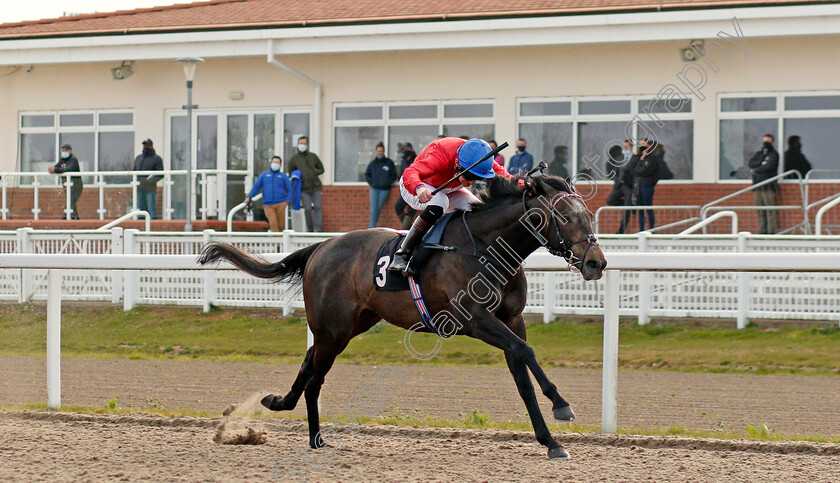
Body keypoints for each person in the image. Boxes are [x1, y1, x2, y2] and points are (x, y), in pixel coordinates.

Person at [388, 137, 513, 275]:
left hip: (447, 189)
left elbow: (504, 176)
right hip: (415, 186)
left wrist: (525, 184)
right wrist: (419, 188)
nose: (471, 183)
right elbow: (409, 173)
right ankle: (402, 254)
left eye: (477, 179)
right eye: (470, 176)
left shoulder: (477, 157)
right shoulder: (440, 154)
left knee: (476, 208)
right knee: (441, 202)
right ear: (458, 164)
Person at [287, 136, 324, 232]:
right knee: (307, 209)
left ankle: (319, 228)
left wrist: (314, 173)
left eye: (304, 143)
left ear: (307, 145)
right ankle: (310, 229)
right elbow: (291, 172)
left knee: (318, 207)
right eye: (300, 143)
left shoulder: (313, 156)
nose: (302, 145)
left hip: (316, 187)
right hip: (303, 189)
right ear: (297, 145)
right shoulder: (294, 159)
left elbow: (321, 169)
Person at [246, 155, 293, 232]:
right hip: (268, 205)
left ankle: (280, 243)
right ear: (271, 163)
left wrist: (287, 201)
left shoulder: (283, 176)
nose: (275, 164)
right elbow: (256, 186)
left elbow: (290, 189)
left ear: (280, 165)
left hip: (281, 203)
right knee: (273, 223)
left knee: (281, 225)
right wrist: (249, 196)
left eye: (277, 163)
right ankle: (276, 244)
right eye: (274, 162)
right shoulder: (264, 175)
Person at [748, 134, 780, 234]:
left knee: (770, 210)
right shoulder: (759, 154)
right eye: (764, 141)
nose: (765, 144)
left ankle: (771, 232)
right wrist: (761, 163)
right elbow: (751, 163)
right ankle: (763, 231)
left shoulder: (774, 154)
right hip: (758, 186)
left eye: (768, 142)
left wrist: (756, 169)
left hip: (768, 186)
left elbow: (769, 166)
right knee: (760, 210)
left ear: (772, 143)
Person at [628, 139, 659, 232]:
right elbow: (632, 170)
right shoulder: (637, 157)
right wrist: (641, 159)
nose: (643, 147)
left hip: (647, 186)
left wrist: (640, 171)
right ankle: (642, 230)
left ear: (648, 146)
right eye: (640, 145)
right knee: (640, 209)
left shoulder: (652, 158)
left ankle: (651, 229)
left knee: (648, 207)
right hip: (638, 186)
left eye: (644, 145)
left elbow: (648, 171)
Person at [365, 142, 397, 228]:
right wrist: (372, 183)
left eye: (381, 151)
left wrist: (387, 182)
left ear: (384, 151)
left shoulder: (389, 163)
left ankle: (372, 227)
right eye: (378, 151)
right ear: (376, 151)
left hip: (384, 190)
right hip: (374, 189)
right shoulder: (373, 163)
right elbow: (367, 174)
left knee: (377, 208)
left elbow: (394, 175)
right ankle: (371, 227)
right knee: (374, 209)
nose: (380, 153)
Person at [604, 144, 634, 234]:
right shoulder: (619, 158)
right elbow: (616, 171)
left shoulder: (634, 158)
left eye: (627, 146)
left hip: (628, 186)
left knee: (626, 211)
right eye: (624, 146)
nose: (625, 148)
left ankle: (621, 231)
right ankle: (629, 204)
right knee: (610, 200)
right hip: (619, 185)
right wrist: (616, 181)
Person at [48, 144, 82, 219]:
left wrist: (55, 170)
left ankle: (65, 218)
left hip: (76, 185)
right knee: (71, 202)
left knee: (70, 202)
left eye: (65, 150)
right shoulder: (62, 160)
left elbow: (68, 169)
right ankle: (75, 218)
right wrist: (52, 169)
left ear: (70, 151)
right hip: (67, 185)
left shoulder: (73, 159)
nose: (64, 152)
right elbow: (56, 167)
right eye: (62, 150)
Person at [133, 138, 164, 219]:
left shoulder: (156, 159)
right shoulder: (139, 158)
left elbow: (160, 174)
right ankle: (140, 228)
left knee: (151, 209)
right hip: (140, 188)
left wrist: (149, 181)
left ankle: (153, 228)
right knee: (141, 210)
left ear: (151, 146)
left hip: (150, 189)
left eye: (147, 145)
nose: (146, 147)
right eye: (144, 145)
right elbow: (134, 171)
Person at [394, 142, 417, 229]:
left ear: (411, 149)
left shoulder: (416, 159)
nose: (405, 151)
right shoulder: (403, 160)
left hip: (415, 188)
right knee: (398, 207)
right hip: (405, 188)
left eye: (407, 149)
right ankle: (409, 227)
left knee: (411, 210)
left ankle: (404, 229)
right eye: (404, 149)